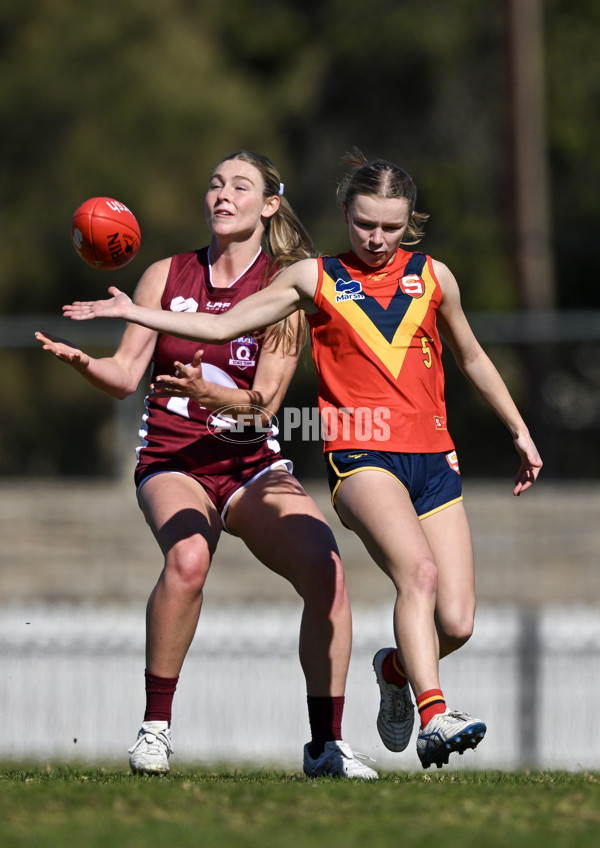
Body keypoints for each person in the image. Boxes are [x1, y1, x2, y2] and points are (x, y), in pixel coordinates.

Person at [62, 151, 543, 770]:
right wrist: (134, 312)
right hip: (360, 454)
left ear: (410, 224)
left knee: (456, 620)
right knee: (415, 576)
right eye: (364, 223)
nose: (376, 238)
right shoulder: (311, 278)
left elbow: (473, 358)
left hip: (430, 459)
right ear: (345, 213)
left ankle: (392, 674)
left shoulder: (434, 277)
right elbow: (223, 325)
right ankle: (433, 716)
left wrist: (519, 430)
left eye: (391, 228)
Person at [37, 150, 379, 780]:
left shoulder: (288, 283)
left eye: (240, 186)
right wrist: (86, 364)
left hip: (250, 461)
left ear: (269, 205)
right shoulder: (165, 273)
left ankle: (326, 746)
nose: (223, 194)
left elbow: (265, 404)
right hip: (173, 457)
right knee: (188, 560)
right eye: (216, 183)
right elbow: (124, 376)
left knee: (326, 568)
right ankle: (155, 730)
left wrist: (212, 394)